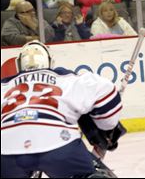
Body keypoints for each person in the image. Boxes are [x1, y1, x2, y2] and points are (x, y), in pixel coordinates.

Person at [1, 40, 125, 178]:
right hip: (58, 143)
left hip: (5, 149)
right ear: (49, 62)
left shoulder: (4, 85)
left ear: (19, 64)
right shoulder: (64, 77)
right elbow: (106, 91)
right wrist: (106, 128)